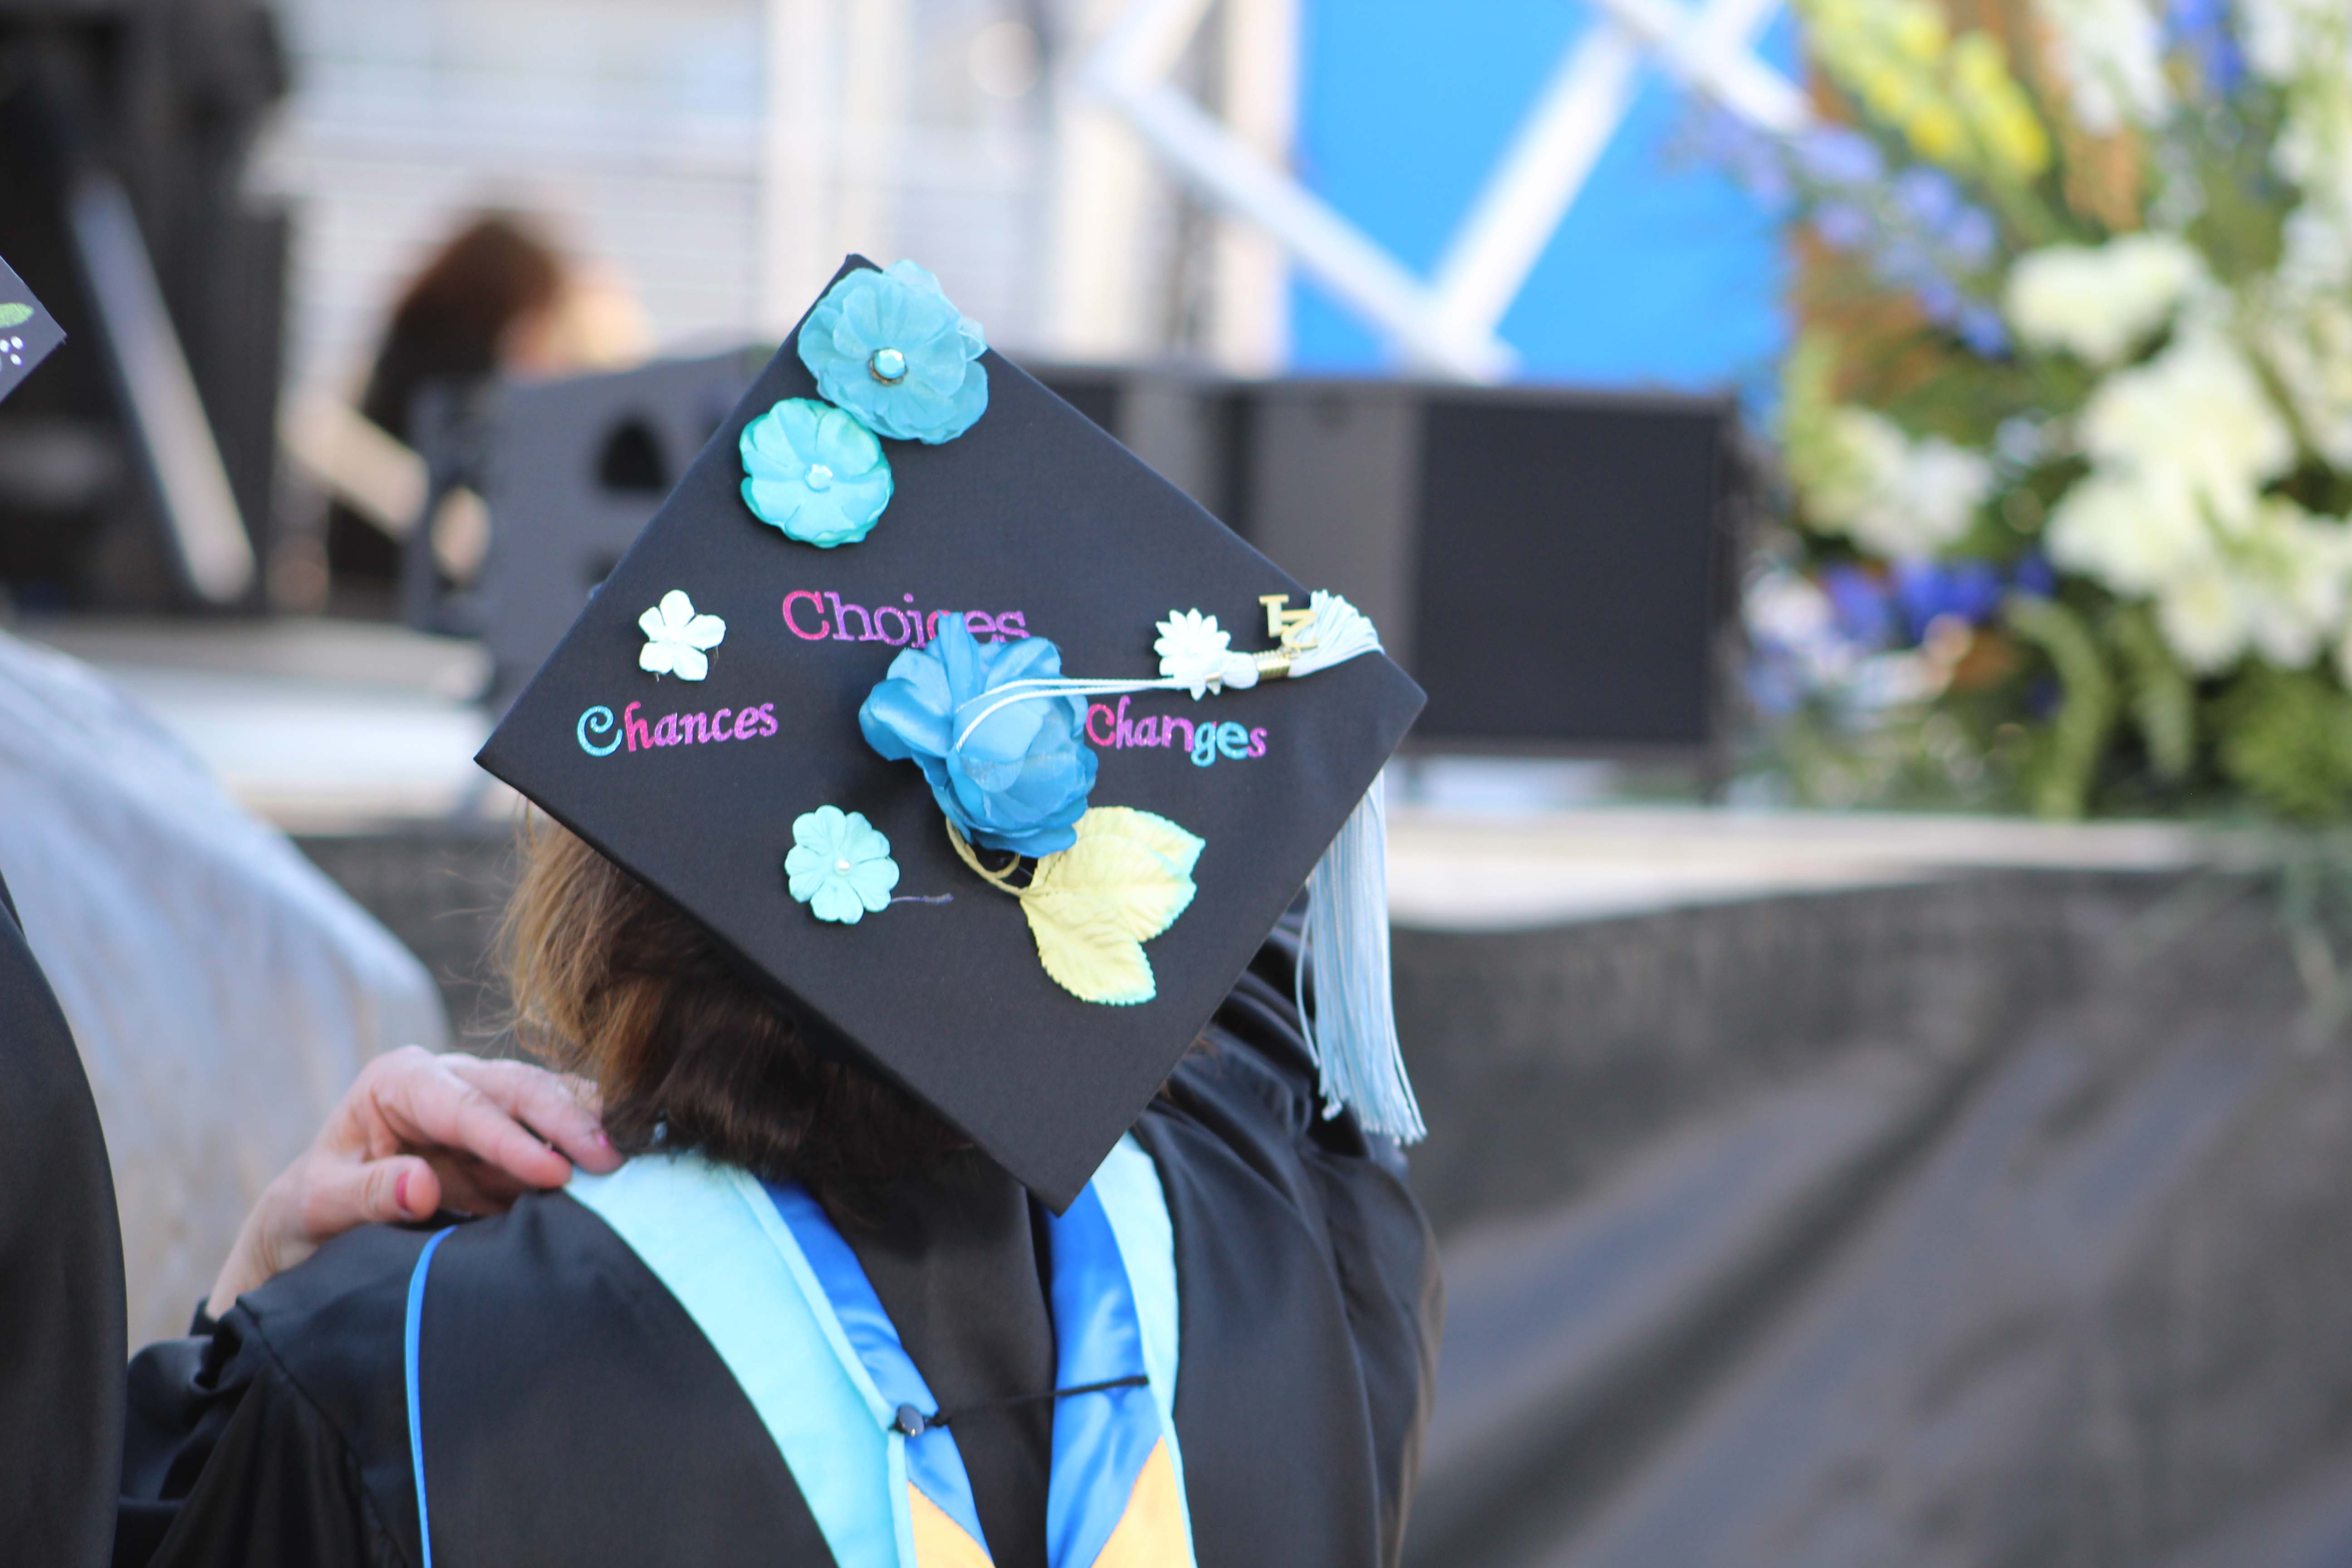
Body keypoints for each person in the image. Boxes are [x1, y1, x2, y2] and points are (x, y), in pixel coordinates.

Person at [118, 255, 1443, 1568]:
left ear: (608, 894)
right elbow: (1271, 1019)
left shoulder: (398, 1374)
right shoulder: (1295, 1258)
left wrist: (255, 1294)